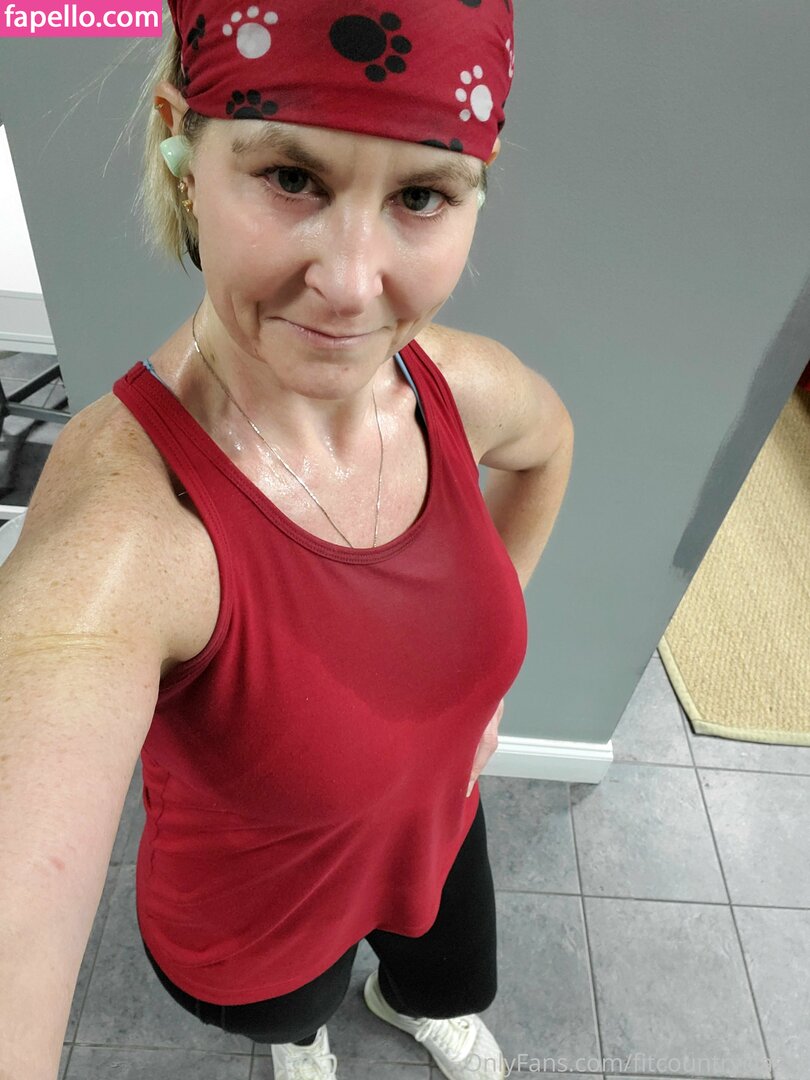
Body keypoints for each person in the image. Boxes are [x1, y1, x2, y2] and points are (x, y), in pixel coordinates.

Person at [0, 2, 574, 1078]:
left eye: (420, 195)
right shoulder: (130, 528)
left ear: (475, 192)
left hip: (436, 833)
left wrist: (484, 688)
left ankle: (404, 1003)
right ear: (181, 150)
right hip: (257, 918)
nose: (352, 285)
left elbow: (549, 448)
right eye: (292, 177)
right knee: (288, 1010)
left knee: (451, 980)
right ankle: (303, 1037)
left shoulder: (457, 388)